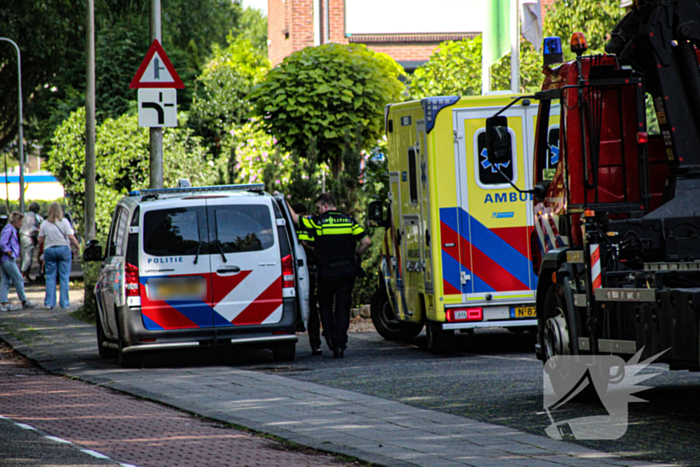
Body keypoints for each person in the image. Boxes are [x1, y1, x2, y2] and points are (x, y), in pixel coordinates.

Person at [289, 193, 371, 358]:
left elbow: (296, 219)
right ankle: (340, 344)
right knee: (343, 306)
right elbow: (366, 242)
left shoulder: (319, 221)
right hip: (347, 270)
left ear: (325, 206)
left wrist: (282, 199)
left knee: (325, 305)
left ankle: (331, 338)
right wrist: (355, 255)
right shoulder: (349, 221)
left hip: (327, 271)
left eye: (318, 207)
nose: (317, 211)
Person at [292, 202, 324, 356]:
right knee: (312, 307)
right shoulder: (311, 226)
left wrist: (307, 248)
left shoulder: (291, 227)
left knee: (309, 307)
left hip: (305, 271)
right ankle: (315, 345)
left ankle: (315, 344)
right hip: (309, 270)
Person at [38, 203, 80, 310]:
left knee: (50, 277)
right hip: (64, 250)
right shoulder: (64, 222)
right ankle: (64, 303)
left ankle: (49, 303)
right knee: (64, 277)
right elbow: (71, 237)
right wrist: (78, 247)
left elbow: (40, 240)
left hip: (49, 250)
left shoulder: (44, 224)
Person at [0, 212, 37, 311]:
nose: (21, 224)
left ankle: (3, 302)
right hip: (8, 259)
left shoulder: (9, 229)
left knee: (5, 280)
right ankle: (24, 301)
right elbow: (2, 243)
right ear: (16, 221)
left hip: (5, 259)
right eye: (20, 222)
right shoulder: (9, 229)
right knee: (19, 278)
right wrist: (9, 252)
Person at [20, 202, 43, 281]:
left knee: (24, 256)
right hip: (28, 237)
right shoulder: (32, 216)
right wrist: (40, 231)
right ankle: (23, 275)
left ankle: (25, 275)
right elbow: (33, 229)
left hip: (23, 236)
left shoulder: (26, 215)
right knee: (28, 257)